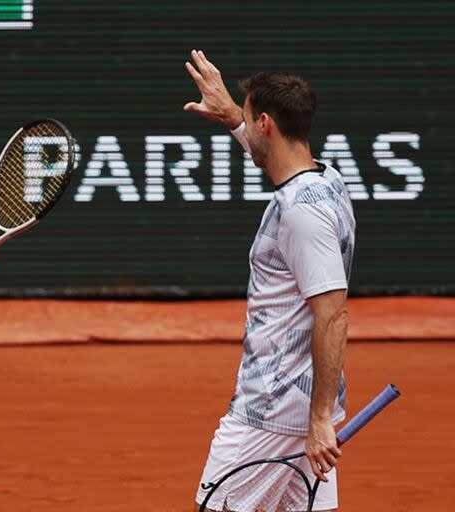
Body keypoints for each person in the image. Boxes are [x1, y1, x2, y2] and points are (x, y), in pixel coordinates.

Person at [184, 50, 355, 512]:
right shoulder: (328, 182)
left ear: (265, 124)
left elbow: (333, 314)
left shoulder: (301, 213)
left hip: (269, 419)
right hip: (296, 415)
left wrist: (320, 420)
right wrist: (231, 119)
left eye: (246, 116)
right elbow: (278, 161)